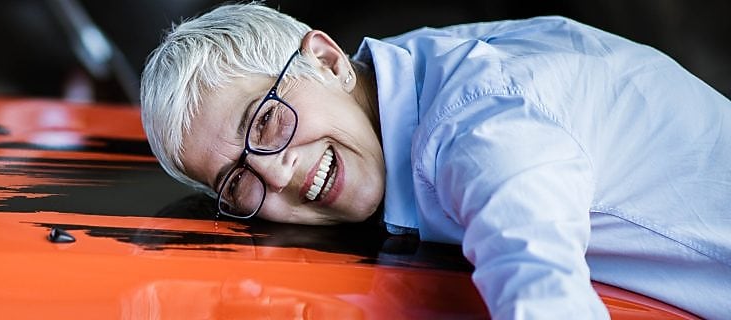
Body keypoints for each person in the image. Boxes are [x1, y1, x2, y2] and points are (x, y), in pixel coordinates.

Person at [139, 3, 731, 319]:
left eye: (264, 122)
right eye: (237, 181)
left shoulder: (480, 120)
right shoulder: (409, 67)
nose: (275, 173)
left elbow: (540, 289)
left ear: (324, 60)